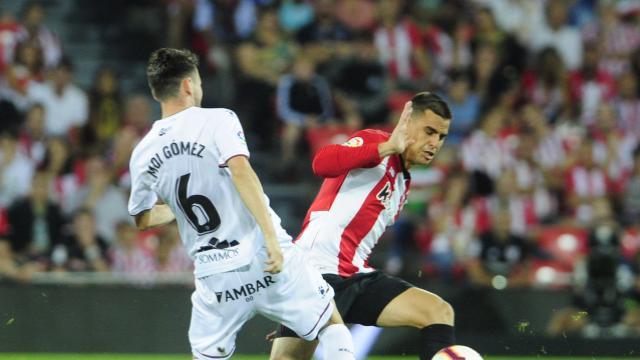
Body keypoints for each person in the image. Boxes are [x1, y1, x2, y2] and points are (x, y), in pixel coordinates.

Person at [127, 48, 354, 360]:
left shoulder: (143, 151)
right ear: (188, 85)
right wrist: (272, 239)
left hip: (215, 276)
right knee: (330, 323)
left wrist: (175, 210)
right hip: (262, 255)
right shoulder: (218, 119)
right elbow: (241, 171)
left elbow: (142, 218)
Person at [270, 92, 456, 360]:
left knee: (438, 312)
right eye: (429, 131)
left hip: (354, 275)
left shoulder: (403, 183)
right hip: (316, 271)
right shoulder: (375, 142)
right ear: (407, 122)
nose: (434, 142)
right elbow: (321, 162)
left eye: (441, 136)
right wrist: (388, 147)